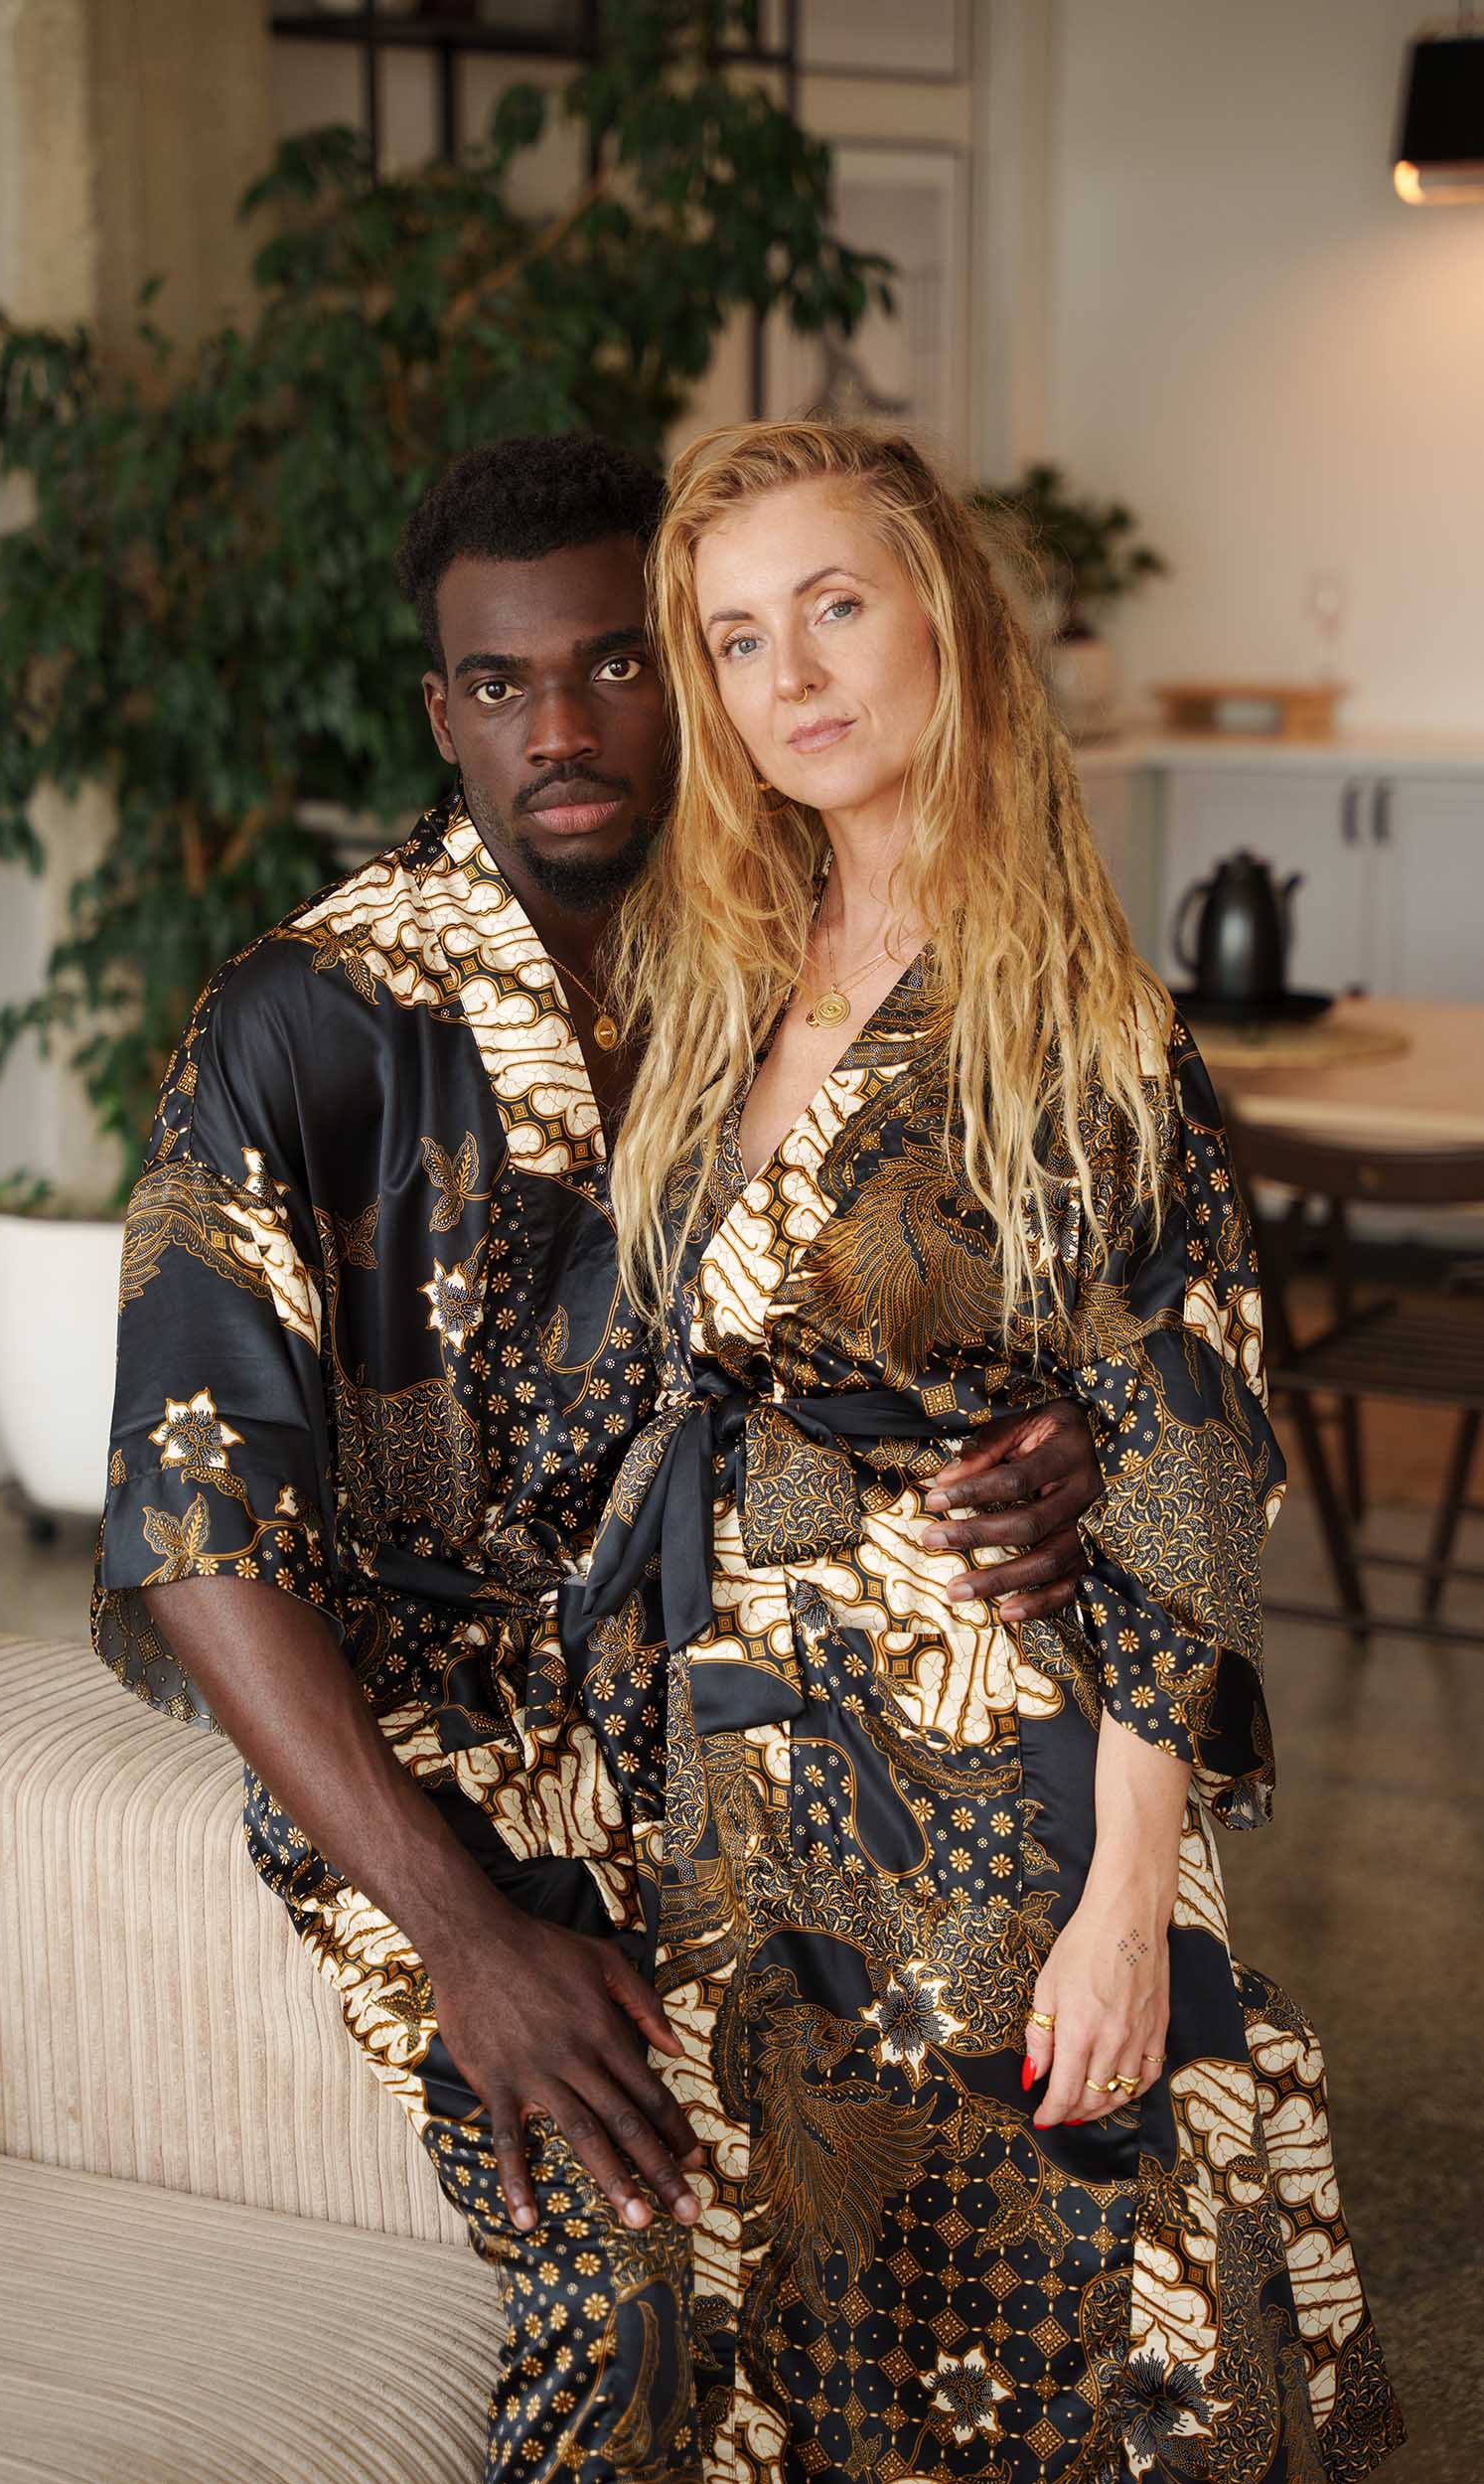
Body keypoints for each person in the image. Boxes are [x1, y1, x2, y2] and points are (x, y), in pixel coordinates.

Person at [90, 432, 1110, 2481]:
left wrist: (1065, 1430)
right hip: (453, 1739)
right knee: (639, 2280)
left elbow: (1047, 1289)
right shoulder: (300, 1020)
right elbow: (196, 1528)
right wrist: (462, 1932)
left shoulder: (804, 950)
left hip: (777, 1686)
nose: (558, 730)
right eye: (500, 683)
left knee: (1014, 2176)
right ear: (440, 713)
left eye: (617, 665)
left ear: (694, 669)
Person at [574, 417, 1408, 2481]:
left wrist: (1129, 1898)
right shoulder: (716, 967)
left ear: (942, 613)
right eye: (737, 637)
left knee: (1041, 2291)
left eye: (833, 606)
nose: (790, 676)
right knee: (809, 2290)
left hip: (995, 1767)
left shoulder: (1078, 1017)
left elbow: (1186, 1467)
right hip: (744, 1750)